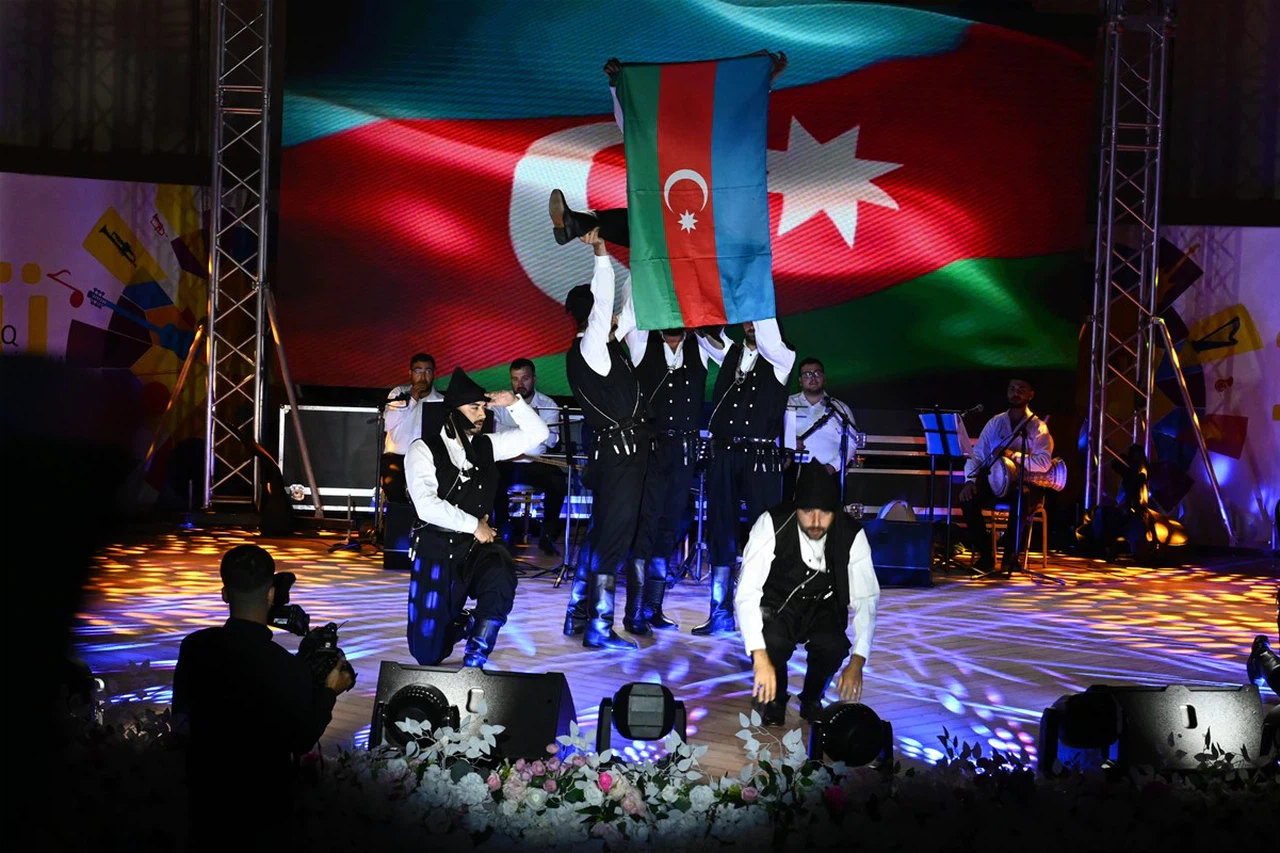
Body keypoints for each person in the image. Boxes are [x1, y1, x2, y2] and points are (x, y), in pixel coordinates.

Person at [171, 544, 356, 850]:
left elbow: (181, 719)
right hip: (265, 812)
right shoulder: (286, 666)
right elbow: (301, 739)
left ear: (224, 594)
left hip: (203, 804)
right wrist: (328, 691)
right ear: (271, 594)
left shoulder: (194, 647)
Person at [547, 51, 789, 249]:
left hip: (708, 235)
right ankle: (574, 223)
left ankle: (576, 223)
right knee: (647, 225)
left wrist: (762, 81)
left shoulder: (719, 146)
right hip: (678, 224)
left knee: (654, 228)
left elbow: (741, 115)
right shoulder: (670, 144)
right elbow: (633, 129)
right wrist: (619, 86)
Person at [404, 367, 549, 667]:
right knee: (427, 654)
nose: (482, 414)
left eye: (483, 407)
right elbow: (426, 506)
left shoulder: (487, 445)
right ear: (453, 412)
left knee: (500, 572)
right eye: (474, 408)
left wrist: (513, 403)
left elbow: (539, 435)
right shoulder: (423, 449)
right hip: (437, 551)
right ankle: (465, 622)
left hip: (476, 549)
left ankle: (476, 657)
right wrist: (474, 526)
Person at [737, 462, 880, 727]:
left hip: (824, 604)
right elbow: (747, 592)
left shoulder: (852, 534)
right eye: (807, 512)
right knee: (772, 641)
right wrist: (759, 657)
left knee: (833, 647)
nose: (815, 522)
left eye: (824, 513)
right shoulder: (770, 523)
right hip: (778, 602)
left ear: (835, 511)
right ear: (796, 509)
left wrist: (858, 661)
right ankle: (775, 699)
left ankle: (812, 698)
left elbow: (867, 600)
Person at [561, 228, 649, 650]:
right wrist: (600, 253)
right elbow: (607, 306)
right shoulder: (593, 349)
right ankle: (598, 626)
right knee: (613, 535)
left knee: (602, 532)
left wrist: (641, 261)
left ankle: (578, 615)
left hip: (615, 453)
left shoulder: (599, 348)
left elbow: (628, 311)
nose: (611, 316)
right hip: (620, 455)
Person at [615, 284, 710, 634]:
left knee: (670, 526)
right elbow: (629, 312)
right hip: (651, 450)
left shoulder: (701, 346)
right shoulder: (643, 342)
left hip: (683, 451)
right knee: (646, 526)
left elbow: (728, 348)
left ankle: (653, 606)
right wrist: (642, 278)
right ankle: (633, 611)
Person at [692, 317, 795, 635]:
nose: (752, 325)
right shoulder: (732, 354)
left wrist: (760, 308)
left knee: (763, 534)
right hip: (723, 454)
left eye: (758, 321)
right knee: (720, 528)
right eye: (748, 321)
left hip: (760, 457)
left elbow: (769, 337)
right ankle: (720, 614)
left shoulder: (782, 357)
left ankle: (765, 617)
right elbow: (705, 336)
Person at [959, 378, 1054, 574]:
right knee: (967, 499)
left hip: (1024, 483)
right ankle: (986, 555)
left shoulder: (1037, 427)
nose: (1016, 393)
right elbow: (978, 455)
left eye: (1021, 389)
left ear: (1030, 395)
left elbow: (1044, 463)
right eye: (1012, 389)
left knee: (1022, 496)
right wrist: (969, 480)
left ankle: (1010, 556)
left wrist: (1014, 455)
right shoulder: (995, 422)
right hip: (995, 481)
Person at [490, 358, 567, 556]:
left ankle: (547, 535)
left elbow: (552, 441)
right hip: (507, 462)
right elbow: (496, 433)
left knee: (558, 480)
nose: (520, 384)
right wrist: (533, 428)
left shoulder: (547, 404)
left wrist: (532, 423)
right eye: (515, 379)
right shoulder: (499, 404)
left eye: (525, 378)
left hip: (536, 463)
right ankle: (503, 531)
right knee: (490, 478)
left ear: (534, 378)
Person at [783, 356, 859, 486]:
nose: (813, 378)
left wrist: (832, 467)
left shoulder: (840, 408)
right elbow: (771, 434)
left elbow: (851, 444)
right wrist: (787, 442)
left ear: (824, 378)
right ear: (800, 380)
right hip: (792, 471)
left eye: (817, 373)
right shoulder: (787, 404)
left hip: (828, 474)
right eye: (807, 374)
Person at [382, 353, 443, 502]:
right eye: (418, 371)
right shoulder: (399, 393)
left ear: (434, 374)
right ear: (410, 373)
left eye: (428, 371)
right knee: (393, 489)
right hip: (396, 456)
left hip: (426, 459)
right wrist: (413, 400)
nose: (423, 377)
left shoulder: (441, 401)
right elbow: (387, 423)